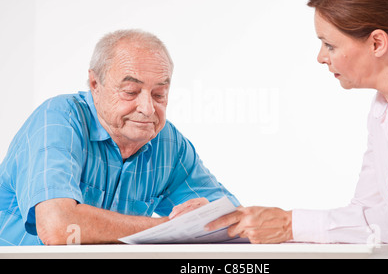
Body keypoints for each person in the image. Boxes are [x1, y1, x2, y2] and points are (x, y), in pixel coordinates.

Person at [206, 0, 388, 259]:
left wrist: (290, 225)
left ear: (377, 42)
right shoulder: (383, 106)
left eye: (330, 45)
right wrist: (243, 225)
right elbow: (365, 215)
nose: (321, 57)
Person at [0, 29, 239, 245]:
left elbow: (236, 222)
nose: (147, 108)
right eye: (130, 92)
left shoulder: (168, 143)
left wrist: (212, 217)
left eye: (159, 94)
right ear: (95, 83)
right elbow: (58, 227)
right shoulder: (58, 118)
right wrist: (173, 228)